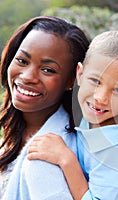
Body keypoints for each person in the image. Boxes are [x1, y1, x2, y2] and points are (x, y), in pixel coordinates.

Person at [26, 30, 118, 200]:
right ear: (80, 74)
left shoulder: (116, 153)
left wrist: (66, 159)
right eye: (95, 81)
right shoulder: (92, 114)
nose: (100, 98)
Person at [0, 16, 89, 199]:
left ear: (72, 80)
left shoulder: (50, 155)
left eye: (48, 70)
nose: (27, 76)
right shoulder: (15, 133)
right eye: (22, 61)